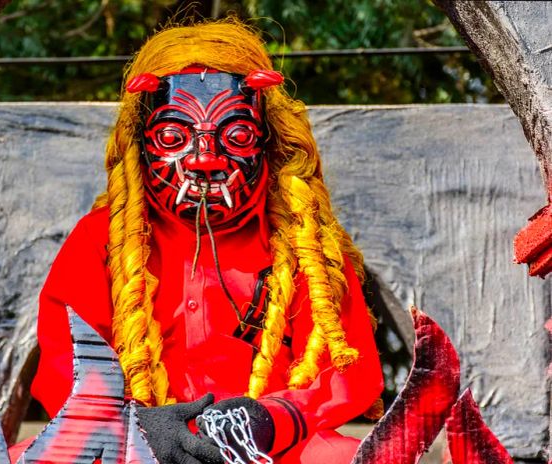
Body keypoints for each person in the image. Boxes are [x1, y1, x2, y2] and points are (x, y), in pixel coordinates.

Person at [31, 19, 383, 464]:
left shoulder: (303, 243)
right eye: (173, 137)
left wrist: (272, 419)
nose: (205, 159)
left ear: (268, 139)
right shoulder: (99, 239)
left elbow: (348, 369)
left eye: (235, 136)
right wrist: (137, 429)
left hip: (276, 452)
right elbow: (65, 363)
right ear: (140, 142)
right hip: (131, 451)